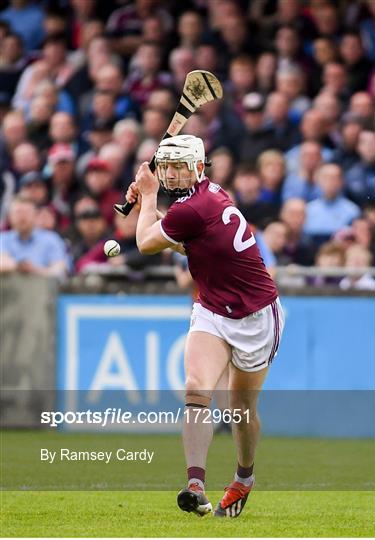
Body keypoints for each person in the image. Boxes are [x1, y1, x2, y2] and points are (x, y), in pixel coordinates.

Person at [126, 135, 284, 518]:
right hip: (211, 309)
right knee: (197, 389)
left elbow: (147, 242)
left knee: (241, 408)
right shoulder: (199, 201)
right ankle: (195, 484)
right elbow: (182, 236)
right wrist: (152, 202)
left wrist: (147, 197)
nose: (172, 173)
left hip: (256, 316)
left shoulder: (193, 207)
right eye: (167, 167)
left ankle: (244, 477)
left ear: (198, 166)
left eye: (180, 166)